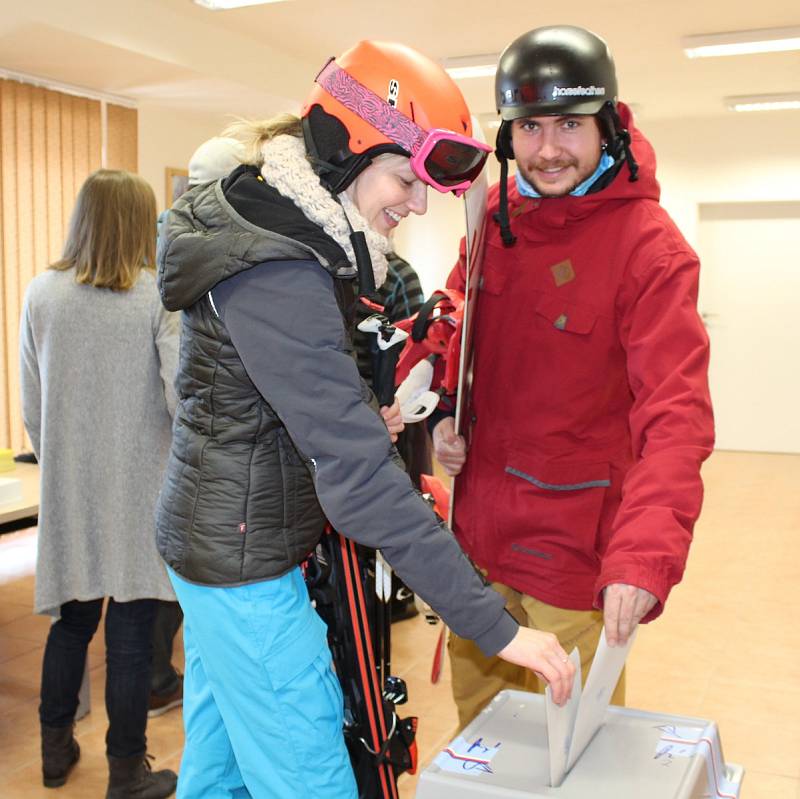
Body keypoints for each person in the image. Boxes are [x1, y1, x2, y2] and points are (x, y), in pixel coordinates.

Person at [155, 40, 575, 799]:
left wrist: (351, 410)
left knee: (219, 775)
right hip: (242, 561)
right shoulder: (276, 264)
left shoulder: (292, 238)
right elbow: (357, 479)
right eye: (406, 180)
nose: (417, 205)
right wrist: (497, 624)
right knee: (311, 777)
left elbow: (279, 404)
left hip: (228, 541)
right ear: (347, 149)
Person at [433, 25, 715, 728]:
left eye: (569, 124)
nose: (549, 148)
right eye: (530, 125)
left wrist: (643, 555)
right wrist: (444, 414)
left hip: (573, 560)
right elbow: (452, 337)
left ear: (608, 125)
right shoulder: (493, 221)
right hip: (476, 549)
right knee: (481, 743)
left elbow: (675, 417)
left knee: (569, 752)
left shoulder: (650, 247)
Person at [19, 169, 179, 797]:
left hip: (71, 489)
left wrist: (66, 453)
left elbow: (33, 407)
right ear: (141, 224)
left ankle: (54, 753)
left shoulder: (41, 294)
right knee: (132, 638)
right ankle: (124, 771)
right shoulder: (156, 299)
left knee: (71, 624)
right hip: (141, 489)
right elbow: (178, 397)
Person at [148, 136, 246, 719]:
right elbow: (184, 389)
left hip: (192, 490)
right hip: (222, 505)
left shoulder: (179, 269)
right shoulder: (241, 278)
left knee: (211, 696)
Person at [353, 248, 430, 621]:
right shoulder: (321, 267)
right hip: (349, 431)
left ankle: (394, 598)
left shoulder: (399, 274)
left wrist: (394, 405)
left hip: (388, 423)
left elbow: (419, 351)